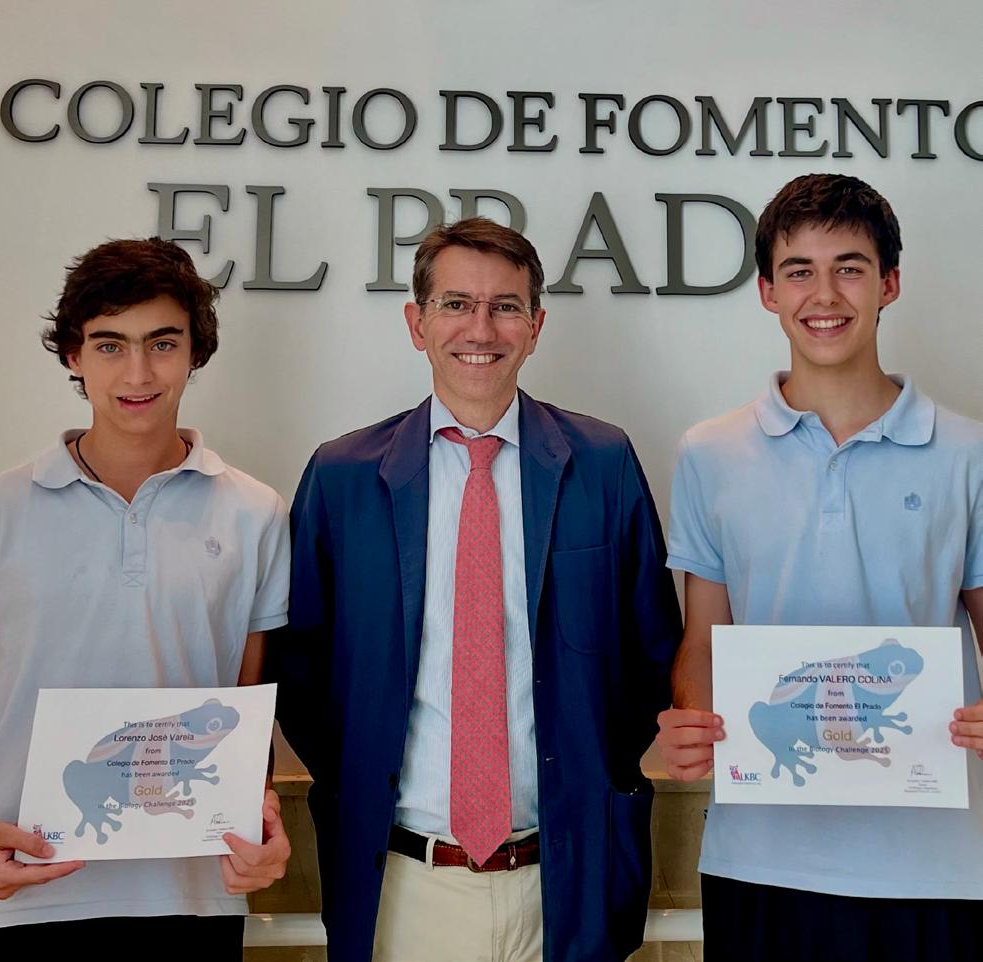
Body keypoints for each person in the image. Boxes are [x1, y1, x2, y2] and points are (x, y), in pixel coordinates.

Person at [272, 217, 681, 962]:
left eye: (506, 306)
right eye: (456, 304)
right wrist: (363, 774)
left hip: (565, 881)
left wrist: (591, 775)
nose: (480, 328)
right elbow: (301, 674)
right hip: (400, 885)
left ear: (536, 326)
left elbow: (651, 652)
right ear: (417, 323)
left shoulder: (603, 462)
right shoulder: (341, 477)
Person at [655, 174, 983, 962]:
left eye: (850, 267)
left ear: (889, 283)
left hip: (933, 863)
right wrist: (692, 717)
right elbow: (703, 642)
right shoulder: (709, 452)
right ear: (769, 291)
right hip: (759, 856)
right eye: (799, 270)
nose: (825, 294)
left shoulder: (969, 453)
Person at [0, 238, 292, 953]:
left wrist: (264, 819)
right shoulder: (1, 508)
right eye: (109, 345)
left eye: (162, 343)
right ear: (73, 355)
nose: (137, 373)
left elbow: (249, 703)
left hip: (196, 889)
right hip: (28, 884)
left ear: (194, 353)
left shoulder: (256, 512)